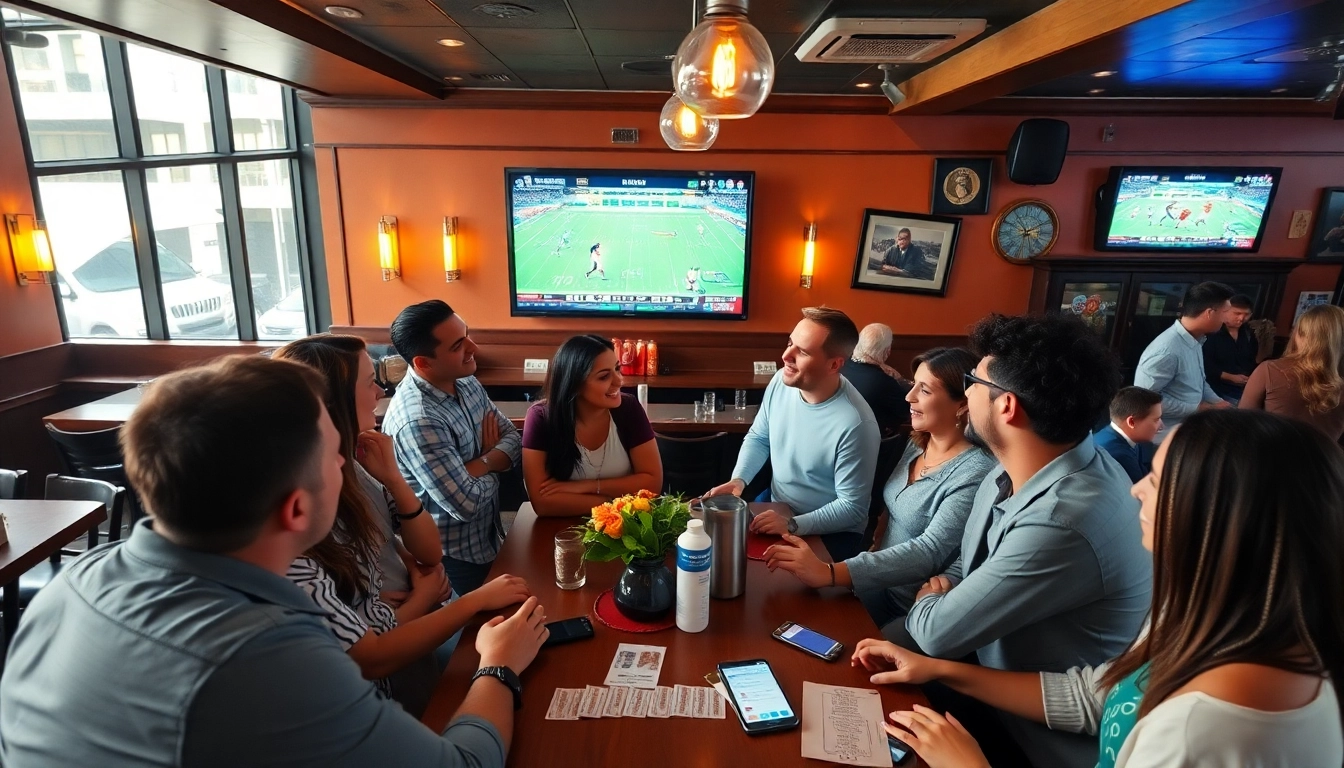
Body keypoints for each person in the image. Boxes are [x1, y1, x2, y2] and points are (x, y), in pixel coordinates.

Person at [0, 355, 551, 766]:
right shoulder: (262, 652)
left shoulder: (69, 583)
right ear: (296, 507)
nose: (346, 461)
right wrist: (497, 665)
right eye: (335, 452)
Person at [856, 410, 1344, 768]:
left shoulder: (1198, 730)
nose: (1136, 490)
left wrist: (966, 764)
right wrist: (938, 669)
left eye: (1157, 479)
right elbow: (1096, 696)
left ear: (1219, 521)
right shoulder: (1205, 618)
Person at [902, 314, 1152, 768]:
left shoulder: (1065, 519)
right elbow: (966, 565)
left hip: (1035, 741)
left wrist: (930, 596)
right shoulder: (1009, 466)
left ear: (1007, 407)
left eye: (972, 382)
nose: (968, 392)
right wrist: (946, 586)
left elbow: (937, 635)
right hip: (989, 676)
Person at [275, 335, 532, 716]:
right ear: (331, 404)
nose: (381, 390)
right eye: (368, 382)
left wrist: (395, 480)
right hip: (390, 672)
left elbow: (427, 553)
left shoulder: (363, 459)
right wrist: (427, 597)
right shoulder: (300, 523)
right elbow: (370, 654)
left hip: (417, 616)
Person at [765, 347, 994, 638]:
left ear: (962, 404)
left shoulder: (976, 470)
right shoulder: (920, 442)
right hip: (874, 587)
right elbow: (890, 510)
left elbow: (929, 551)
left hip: (914, 610)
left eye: (923, 391)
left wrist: (831, 572)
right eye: (913, 386)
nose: (908, 397)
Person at [707, 307, 880, 562]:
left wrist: (792, 524)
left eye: (803, 352)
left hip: (830, 532)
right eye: (790, 343)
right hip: (778, 506)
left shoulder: (856, 424)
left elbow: (852, 509)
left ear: (834, 364)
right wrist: (738, 480)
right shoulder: (781, 381)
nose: (786, 355)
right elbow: (759, 437)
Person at [383, 300, 522, 595]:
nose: (474, 347)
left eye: (467, 334)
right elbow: (465, 505)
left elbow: (512, 437)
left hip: (489, 538)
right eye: (459, 345)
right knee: (478, 636)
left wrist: (478, 465)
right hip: (452, 559)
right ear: (423, 363)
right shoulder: (418, 419)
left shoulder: (466, 381)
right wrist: (493, 460)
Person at [522, 335, 663, 516]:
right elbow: (542, 503)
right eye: (604, 376)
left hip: (626, 524)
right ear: (574, 385)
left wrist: (586, 487)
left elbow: (652, 484)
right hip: (562, 529)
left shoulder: (628, 408)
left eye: (617, 369)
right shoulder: (541, 417)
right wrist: (611, 502)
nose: (619, 381)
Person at [1134, 281, 1233, 443]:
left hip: (1188, 431)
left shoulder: (1196, 340)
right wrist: (1199, 408)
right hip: (1164, 439)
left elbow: (1199, 382)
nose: (1227, 319)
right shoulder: (1167, 350)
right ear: (1210, 313)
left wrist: (1219, 402)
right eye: (1225, 312)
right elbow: (1144, 400)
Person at [1241, 304, 1344, 440]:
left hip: (1271, 457)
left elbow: (1242, 423)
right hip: (1325, 460)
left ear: (1300, 335)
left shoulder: (1269, 370)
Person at [842, 323, 912, 437]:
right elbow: (907, 412)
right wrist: (900, 380)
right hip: (874, 443)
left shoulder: (841, 366)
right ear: (887, 351)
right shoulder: (884, 382)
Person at [1094, 386, 1163, 483]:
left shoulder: (1105, 433)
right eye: (1156, 420)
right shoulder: (1120, 456)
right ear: (1132, 422)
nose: (1161, 426)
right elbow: (1140, 494)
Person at [1202, 294, 1257, 405]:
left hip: (1243, 387)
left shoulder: (1249, 334)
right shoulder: (1210, 332)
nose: (1241, 318)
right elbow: (1203, 363)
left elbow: (1251, 360)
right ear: (1225, 311)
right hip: (1213, 388)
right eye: (1237, 313)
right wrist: (1229, 376)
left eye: (1246, 314)